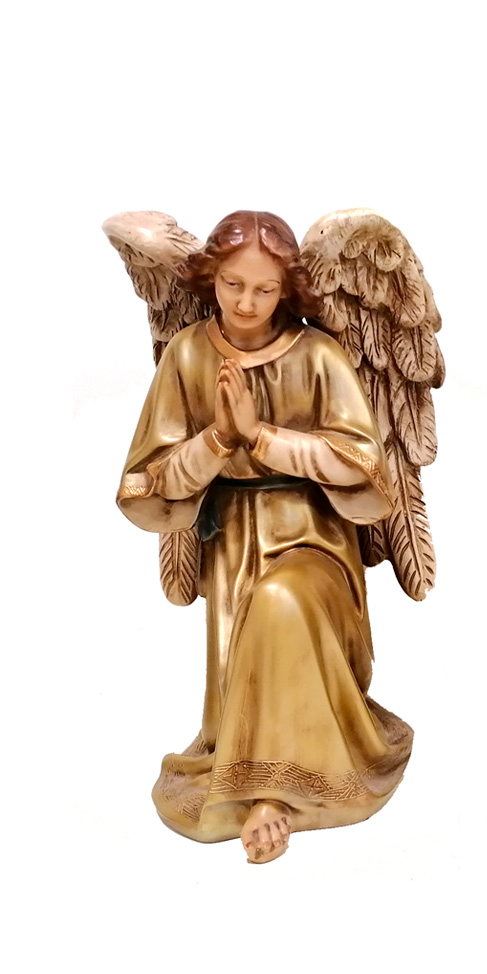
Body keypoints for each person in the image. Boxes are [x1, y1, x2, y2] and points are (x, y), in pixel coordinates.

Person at [117, 211, 411, 864]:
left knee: (281, 601)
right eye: (232, 285)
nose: (246, 303)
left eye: (264, 289)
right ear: (211, 280)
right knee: (253, 632)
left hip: (315, 539)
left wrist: (261, 437)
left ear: (287, 290)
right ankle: (252, 767)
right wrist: (219, 441)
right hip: (232, 544)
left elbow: (366, 470)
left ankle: (273, 792)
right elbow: (146, 484)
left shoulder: (319, 355)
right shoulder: (189, 354)